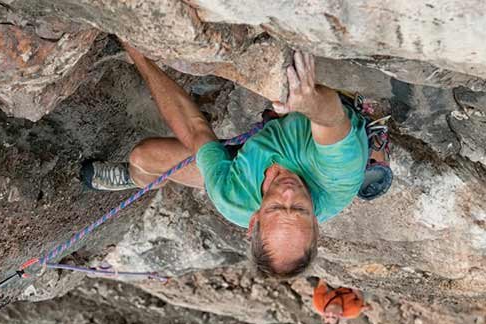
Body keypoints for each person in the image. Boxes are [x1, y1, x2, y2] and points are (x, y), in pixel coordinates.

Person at [82, 43, 368, 278]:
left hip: (244, 166)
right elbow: (330, 118)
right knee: (161, 161)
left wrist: (135, 49)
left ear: (254, 219)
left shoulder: (233, 200)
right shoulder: (336, 180)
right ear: (316, 224)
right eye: (301, 209)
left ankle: (137, 179)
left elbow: (195, 128)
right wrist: (309, 103)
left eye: (278, 206)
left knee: (143, 156)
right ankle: (152, 176)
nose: (290, 192)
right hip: (301, 129)